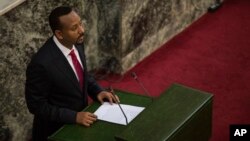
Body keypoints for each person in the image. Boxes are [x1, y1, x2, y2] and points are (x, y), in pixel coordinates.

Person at [25, 6, 119, 141]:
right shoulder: (41, 64)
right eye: (74, 28)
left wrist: (97, 91)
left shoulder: (77, 42)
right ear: (59, 34)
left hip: (82, 124)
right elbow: (36, 105)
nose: (82, 30)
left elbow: (81, 74)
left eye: (80, 24)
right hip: (57, 131)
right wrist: (73, 116)